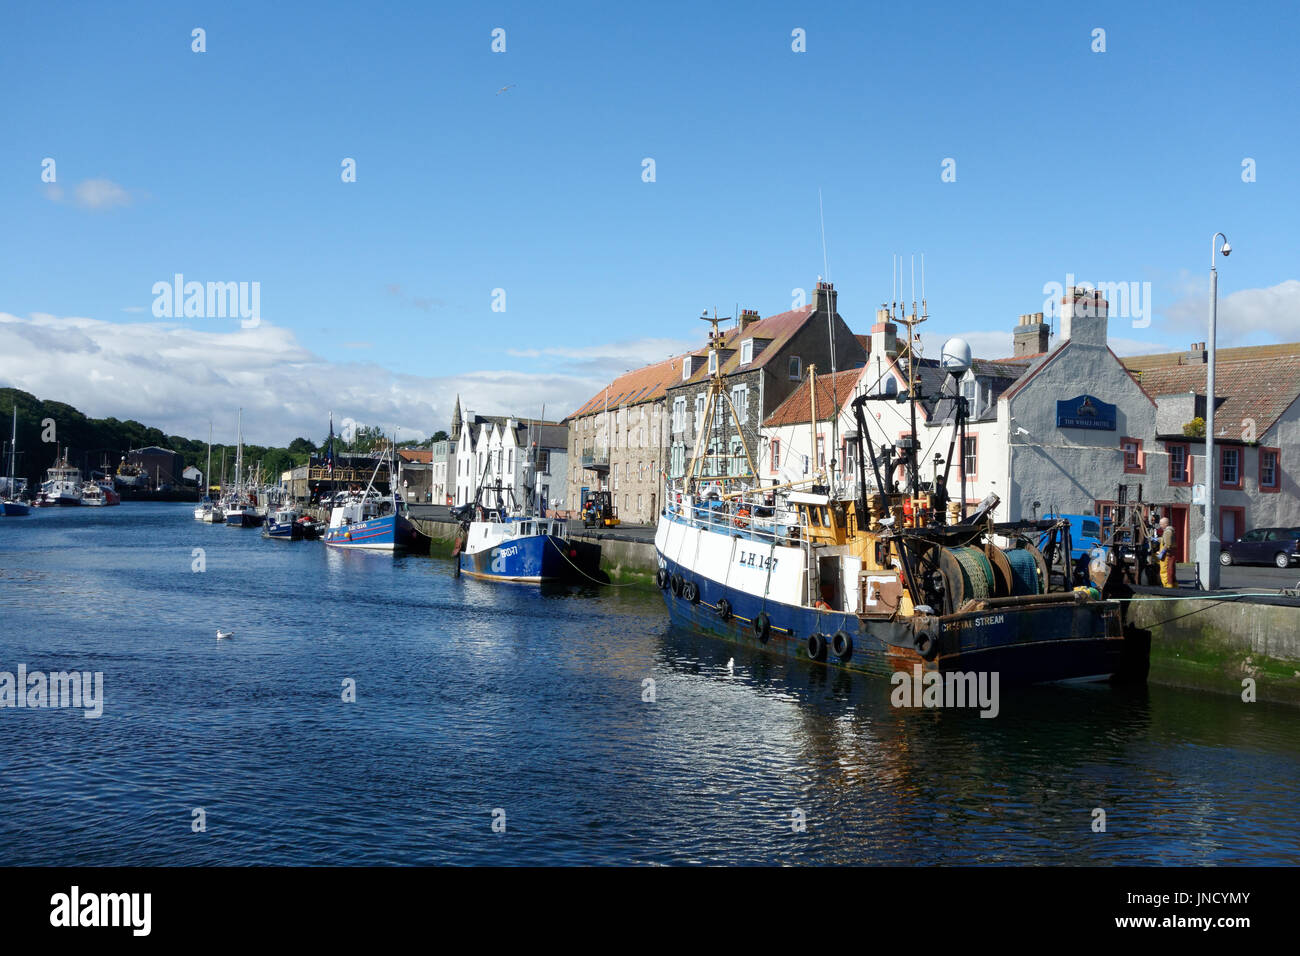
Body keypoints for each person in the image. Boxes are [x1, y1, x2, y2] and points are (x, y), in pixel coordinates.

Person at [1156, 516, 1177, 589]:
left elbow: (1168, 544)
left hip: (1167, 556)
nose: (1160, 525)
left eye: (1161, 524)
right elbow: (1164, 539)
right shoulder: (1169, 531)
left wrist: (1162, 553)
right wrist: (1157, 539)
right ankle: (1174, 586)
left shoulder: (1168, 532)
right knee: (1171, 572)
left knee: (1166, 572)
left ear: (1165, 524)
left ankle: (1168, 587)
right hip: (1169, 555)